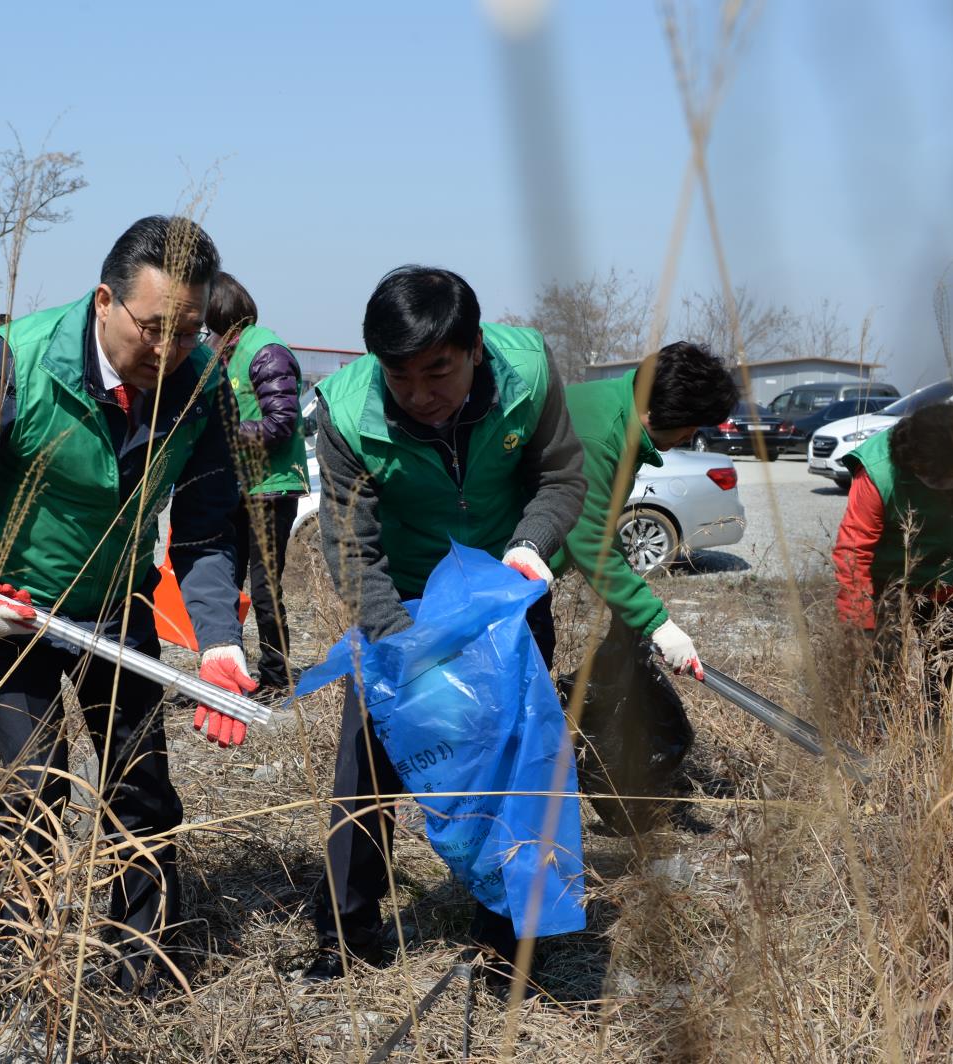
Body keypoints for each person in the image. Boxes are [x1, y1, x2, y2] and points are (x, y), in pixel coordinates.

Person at [0, 215, 249, 994]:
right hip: (15, 613)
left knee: (140, 787)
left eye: (186, 333)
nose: (167, 351)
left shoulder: (201, 385)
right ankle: (16, 975)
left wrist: (219, 639)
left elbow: (209, 527)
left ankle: (140, 967)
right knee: (30, 796)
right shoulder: (18, 361)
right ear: (106, 301)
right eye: (152, 329)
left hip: (119, 607)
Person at [306, 265, 586, 981]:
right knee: (367, 764)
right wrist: (402, 651)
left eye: (438, 373)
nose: (421, 396)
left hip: (506, 586)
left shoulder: (528, 373)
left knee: (516, 759)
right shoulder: (345, 413)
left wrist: (530, 546)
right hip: (401, 600)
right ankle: (346, 936)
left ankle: (508, 936)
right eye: (401, 379)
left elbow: (561, 477)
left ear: (475, 351)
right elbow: (350, 544)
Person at [556, 341, 741, 679]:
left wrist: (632, 608)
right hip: (497, 570)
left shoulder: (621, 413)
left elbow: (602, 524)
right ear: (669, 409)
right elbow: (587, 538)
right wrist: (657, 623)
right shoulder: (601, 432)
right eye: (691, 425)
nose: (690, 436)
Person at [832, 402, 953, 717]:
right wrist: (859, 623)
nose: (946, 487)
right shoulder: (879, 471)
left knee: (947, 665)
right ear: (915, 466)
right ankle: (882, 734)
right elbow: (853, 549)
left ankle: (939, 728)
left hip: (951, 573)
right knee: (882, 664)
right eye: (936, 481)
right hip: (889, 578)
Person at [206, 272, 308, 693]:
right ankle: (233, 669)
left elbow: (282, 421)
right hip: (237, 487)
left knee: (264, 590)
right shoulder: (222, 352)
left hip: (270, 489)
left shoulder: (265, 351)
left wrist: (227, 434)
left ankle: (276, 676)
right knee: (224, 584)